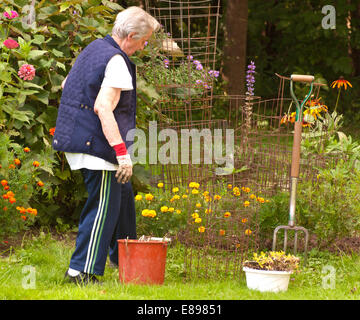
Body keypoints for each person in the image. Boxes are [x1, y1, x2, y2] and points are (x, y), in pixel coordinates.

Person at [52, 6, 159, 285]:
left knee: (121, 198)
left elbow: (67, 85)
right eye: (144, 40)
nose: (143, 46)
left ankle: (125, 258)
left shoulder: (94, 48)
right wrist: (122, 154)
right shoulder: (117, 60)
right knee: (102, 208)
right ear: (132, 35)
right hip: (97, 146)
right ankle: (80, 273)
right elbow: (103, 106)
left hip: (80, 138)